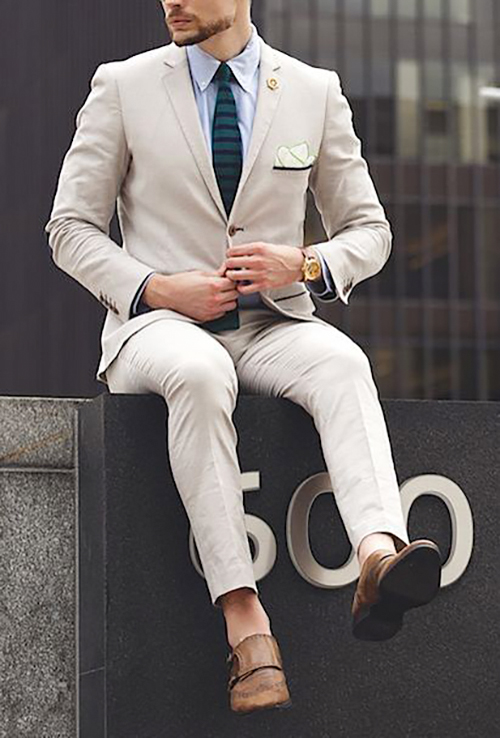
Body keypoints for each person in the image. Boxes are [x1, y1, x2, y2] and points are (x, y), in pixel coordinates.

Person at [45, 0, 442, 716]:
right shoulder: (124, 85)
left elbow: (369, 231)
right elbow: (70, 228)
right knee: (201, 374)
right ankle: (245, 624)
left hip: (272, 326)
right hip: (158, 329)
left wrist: (308, 265)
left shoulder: (314, 90)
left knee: (344, 363)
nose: (172, 0)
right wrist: (155, 286)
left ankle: (378, 555)